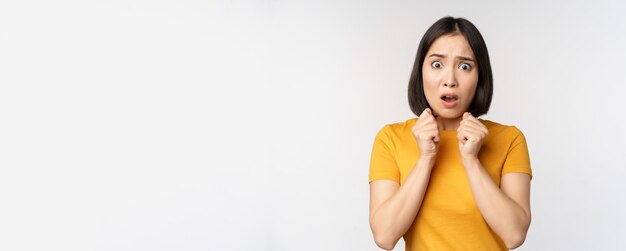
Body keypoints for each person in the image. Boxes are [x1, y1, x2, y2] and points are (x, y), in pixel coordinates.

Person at [368, 16, 532, 250]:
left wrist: (471, 161)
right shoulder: (391, 138)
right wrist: (425, 160)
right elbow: (384, 236)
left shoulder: (509, 139)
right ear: (421, 71)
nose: (450, 80)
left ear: (480, 76)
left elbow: (514, 234)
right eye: (437, 64)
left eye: (465, 66)